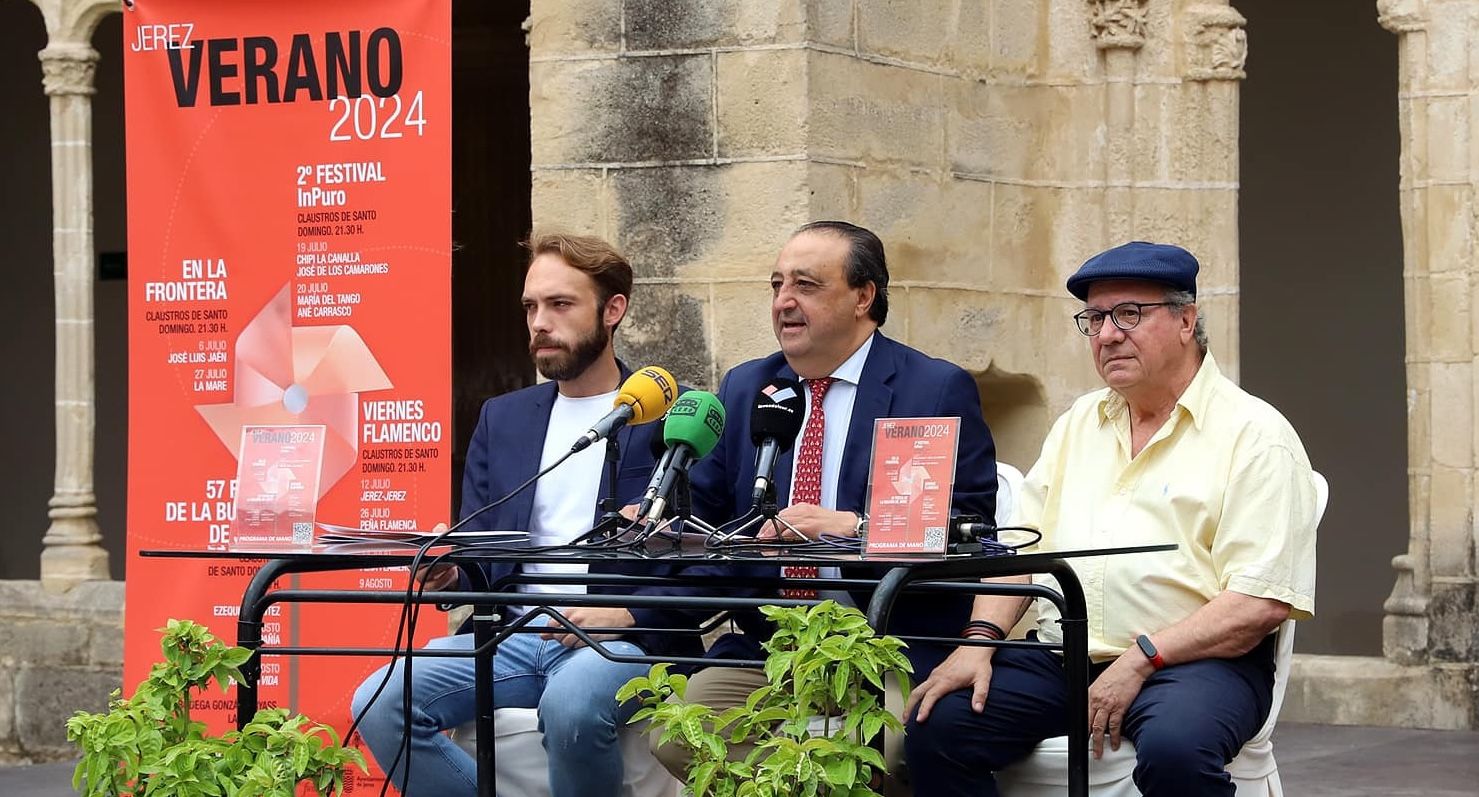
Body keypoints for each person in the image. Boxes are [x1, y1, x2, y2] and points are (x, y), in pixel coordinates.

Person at [903, 241, 1318, 796]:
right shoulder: (1079, 422)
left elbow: (1259, 602)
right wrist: (977, 643)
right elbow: (1021, 551)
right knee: (938, 725)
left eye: (1129, 314)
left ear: (1186, 321)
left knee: (1176, 752)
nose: (1107, 335)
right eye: (1095, 319)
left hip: (1197, 663)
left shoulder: (1255, 435)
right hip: (1065, 653)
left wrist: (1144, 658)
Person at [351, 232, 696, 797]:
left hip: (619, 644)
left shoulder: (674, 420)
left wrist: (627, 612)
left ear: (613, 310)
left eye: (560, 305)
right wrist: (449, 572)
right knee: (379, 699)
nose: (539, 322)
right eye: (531, 307)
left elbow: (710, 557)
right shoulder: (502, 418)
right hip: (509, 635)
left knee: (571, 706)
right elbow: (480, 551)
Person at [651, 220, 999, 777]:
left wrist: (850, 527)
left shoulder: (931, 389)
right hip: (774, 648)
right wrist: (663, 523)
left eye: (806, 285)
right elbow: (708, 519)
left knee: (887, 752)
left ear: (863, 297)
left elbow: (970, 530)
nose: (784, 302)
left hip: (890, 645)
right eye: (776, 285)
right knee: (678, 736)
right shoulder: (748, 388)